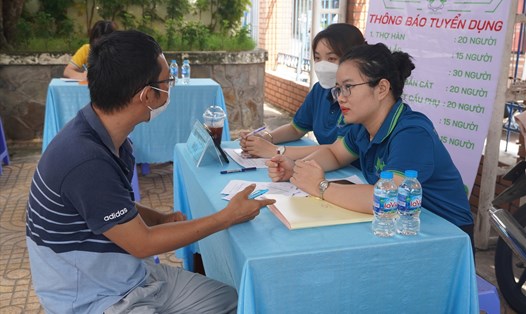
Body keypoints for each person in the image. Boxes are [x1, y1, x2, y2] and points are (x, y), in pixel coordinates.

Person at [26, 30, 275, 314]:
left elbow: (110, 205)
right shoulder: (85, 160)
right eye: (167, 81)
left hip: (128, 275)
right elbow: (142, 244)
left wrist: (160, 218)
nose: (171, 87)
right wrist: (227, 217)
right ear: (146, 95)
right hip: (92, 298)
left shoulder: (109, 137)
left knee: (231, 300)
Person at [266, 42, 475, 246]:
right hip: (396, 226)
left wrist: (320, 186)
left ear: (382, 88)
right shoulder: (362, 125)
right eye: (338, 89)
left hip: (444, 233)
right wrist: (297, 170)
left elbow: (386, 198)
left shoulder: (412, 133)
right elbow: (335, 154)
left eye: (348, 87)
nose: (340, 98)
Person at [240, 23, 365, 160]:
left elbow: (336, 151)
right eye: (317, 58)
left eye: (332, 59)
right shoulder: (320, 90)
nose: (322, 66)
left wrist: (275, 151)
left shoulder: (360, 99)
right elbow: (296, 128)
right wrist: (266, 138)